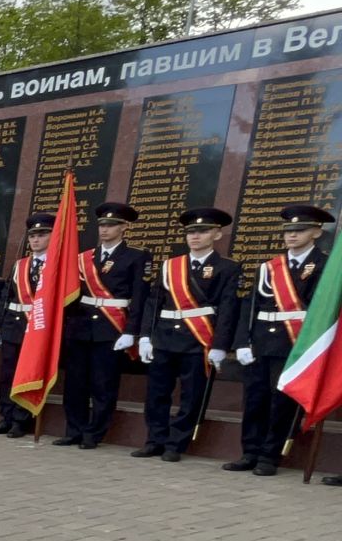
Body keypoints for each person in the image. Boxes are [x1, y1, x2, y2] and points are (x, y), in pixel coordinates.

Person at [227, 204, 330, 476]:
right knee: (254, 399)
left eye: (300, 230)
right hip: (261, 341)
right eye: (289, 231)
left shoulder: (326, 265)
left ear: (317, 233)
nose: (292, 235)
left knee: (280, 401)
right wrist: (242, 342)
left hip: (294, 343)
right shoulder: (269, 267)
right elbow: (250, 307)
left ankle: (269, 455)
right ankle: (249, 451)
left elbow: (323, 309)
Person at [134, 207, 241, 462]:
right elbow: (154, 302)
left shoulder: (227, 268)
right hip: (165, 337)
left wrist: (219, 345)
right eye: (191, 232)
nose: (195, 236)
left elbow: (228, 310)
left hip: (198, 340)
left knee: (191, 395)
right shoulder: (171, 266)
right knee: (157, 393)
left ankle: (175, 444)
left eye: (202, 231)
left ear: (217, 234)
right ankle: (155, 440)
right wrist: (145, 337)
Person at [57, 202, 149, 449]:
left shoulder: (137, 256)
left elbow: (140, 297)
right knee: (75, 383)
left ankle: (94, 432)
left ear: (123, 228)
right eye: (102, 225)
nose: (105, 230)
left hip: (111, 327)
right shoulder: (84, 258)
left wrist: (131, 330)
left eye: (111, 225)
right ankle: (73, 429)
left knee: (103, 384)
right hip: (80, 326)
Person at [0, 214, 52, 438]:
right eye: (32, 235)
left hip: (38, 328)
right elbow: (5, 296)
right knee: (8, 374)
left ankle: (21, 420)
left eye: (41, 235)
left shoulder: (57, 266)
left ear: (52, 236)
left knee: (29, 374)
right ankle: (6, 416)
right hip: (13, 325)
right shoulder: (20, 265)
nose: (35, 240)